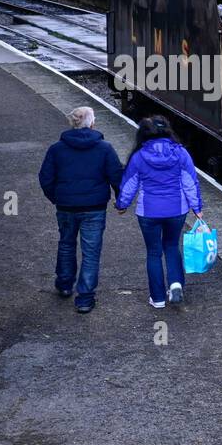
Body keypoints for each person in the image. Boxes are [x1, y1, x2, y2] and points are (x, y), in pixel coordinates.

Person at [38, 107, 124, 314]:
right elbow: (117, 176)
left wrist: (57, 198)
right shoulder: (104, 148)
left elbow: (45, 178)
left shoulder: (57, 149)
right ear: (93, 123)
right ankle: (85, 298)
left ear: (72, 123)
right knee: (91, 252)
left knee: (66, 244)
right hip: (94, 208)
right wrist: (121, 200)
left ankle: (65, 284)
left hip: (66, 206)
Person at [115, 115, 203, 307]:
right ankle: (176, 284)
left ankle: (158, 298)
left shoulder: (139, 157)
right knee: (171, 246)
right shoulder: (180, 153)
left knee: (153, 253)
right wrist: (197, 208)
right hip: (176, 210)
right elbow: (190, 183)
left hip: (148, 212)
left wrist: (122, 205)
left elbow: (130, 185)